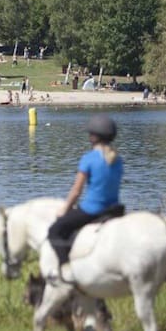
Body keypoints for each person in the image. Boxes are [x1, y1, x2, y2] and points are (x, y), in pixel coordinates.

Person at [47, 114, 123, 281]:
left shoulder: (88, 159)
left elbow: (76, 192)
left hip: (93, 210)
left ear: (93, 136)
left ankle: (66, 271)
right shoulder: (118, 160)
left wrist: (64, 209)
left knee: (55, 231)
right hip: (115, 209)